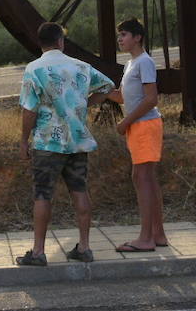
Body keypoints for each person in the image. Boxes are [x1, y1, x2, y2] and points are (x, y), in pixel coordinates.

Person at [17, 22, 115, 267]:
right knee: (79, 191)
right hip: (77, 141)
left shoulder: (34, 69)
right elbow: (108, 86)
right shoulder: (80, 66)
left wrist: (23, 140)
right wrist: (82, 104)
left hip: (47, 143)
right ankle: (84, 247)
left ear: (40, 43)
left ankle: (39, 252)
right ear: (61, 41)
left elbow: (29, 110)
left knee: (42, 195)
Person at [106, 18, 170, 252]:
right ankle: (158, 234)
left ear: (138, 37)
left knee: (142, 178)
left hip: (145, 125)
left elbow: (151, 98)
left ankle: (145, 239)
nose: (120, 39)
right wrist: (101, 91)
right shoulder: (130, 64)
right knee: (146, 179)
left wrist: (125, 121)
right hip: (138, 126)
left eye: (124, 35)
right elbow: (123, 97)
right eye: (119, 35)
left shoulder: (145, 62)